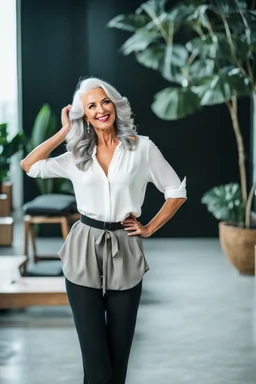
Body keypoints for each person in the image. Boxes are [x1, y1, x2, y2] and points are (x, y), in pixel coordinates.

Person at [20, 77, 187, 384]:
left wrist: (148, 228)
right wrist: (64, 132)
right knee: (96, 363)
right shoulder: (76, 156)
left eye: (105, 101)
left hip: (125, 247)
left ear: (115, 104)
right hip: (83, 247)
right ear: (83, 114)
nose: (100, 110)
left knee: (117, 360)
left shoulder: (143, 149)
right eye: (91, 106)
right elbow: (29, 165)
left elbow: (176, 191)